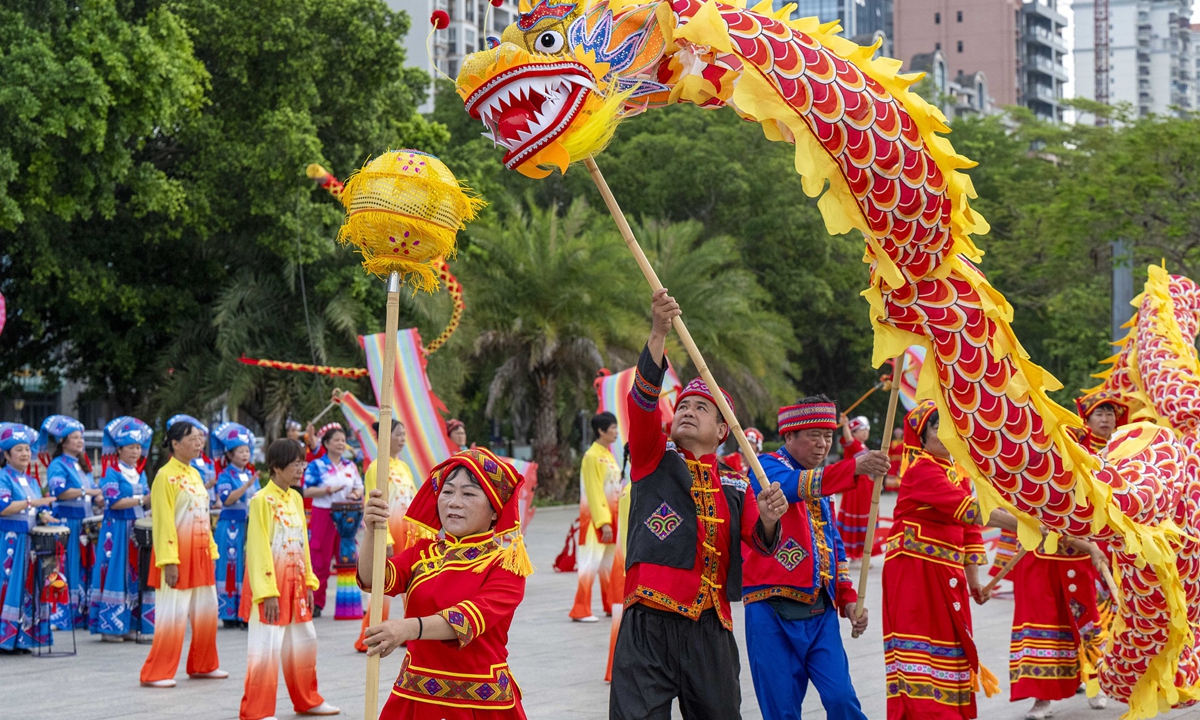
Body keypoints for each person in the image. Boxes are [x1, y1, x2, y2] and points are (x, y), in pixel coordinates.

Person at [609, 288, 788, 720]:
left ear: (724, 430)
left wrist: (767, 519)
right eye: (683, 405)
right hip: (647, 623)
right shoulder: (654, 459)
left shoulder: (738, 484)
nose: (687, 411)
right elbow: (642, 405)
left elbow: (760, 543)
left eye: (702, 408)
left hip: (712, 628)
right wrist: (658, 332)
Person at [357, 447, 534, 719]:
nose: (453, 502)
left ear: (495, 512)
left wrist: (406, 628)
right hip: (414, 697)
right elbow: (373, 579)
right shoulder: (423, 551)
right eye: (448, 492)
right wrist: (372, 529)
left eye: (469, 494)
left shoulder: (505, 564)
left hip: (480, 704)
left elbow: (465, 620)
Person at [743, 397, 890, 720]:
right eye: (814, 435)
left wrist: (849, 599)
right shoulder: (765, 467)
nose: (823, 444)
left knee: (842, 699)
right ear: (788, 437)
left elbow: (832, 544)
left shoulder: (821, 483)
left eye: (828, 435)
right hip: (770, 609)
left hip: (820, 610)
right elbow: (791, 486)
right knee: (781, 710)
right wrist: (854, 467)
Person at [882, 399, 1019, 719]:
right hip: (914, 570)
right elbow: (969, 510)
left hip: (947, 572)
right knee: (921, 649)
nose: (946, 434)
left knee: (951, 647)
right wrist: (1026, 523)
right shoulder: (921, 469)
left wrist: (976, 584)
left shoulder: (957, 473)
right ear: (922, 435)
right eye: (937, 427)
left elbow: (970, 532)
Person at [1007, 388, 1122, 718]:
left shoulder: (1092, 467)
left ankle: (1096, 681)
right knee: (1039, 625)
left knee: (1087, 620)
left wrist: (1091, 543)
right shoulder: (1027, 467)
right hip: (1038, 558)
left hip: (1077, 558)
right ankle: (1041, 699)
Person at [238, 439, 339, 719]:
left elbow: (303, 543)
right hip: (270, 587)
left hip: (296, 584)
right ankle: (257, 710)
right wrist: (267, 592)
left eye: (302, 462)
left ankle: (307, 699)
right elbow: (257, 549)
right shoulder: (260, 501)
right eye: (296, 463)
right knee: (265, 647)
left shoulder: (295, 497)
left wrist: (309, 581)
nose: (301, 468)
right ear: (276, 466)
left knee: (305, 641)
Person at [140, 419, 228, 688]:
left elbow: (202, 515)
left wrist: (211, 549)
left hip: (201, 554)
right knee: (172, 615)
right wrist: (168, 561)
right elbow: (164, 520)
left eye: (201, 438)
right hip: (176, 556)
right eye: (193, 438)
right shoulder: (165, 476)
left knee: (207, 611)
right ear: (175, 444)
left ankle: (203, 665)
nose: (199, 443)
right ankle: (157, 672)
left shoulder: (195, 474)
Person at [354, 420, 418, 653]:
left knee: (412, 584)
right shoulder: (376, 468)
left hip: (409, 534)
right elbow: (373, 505)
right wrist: (386, 540)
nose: (402, 439)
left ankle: (409, 633)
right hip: (390, 533)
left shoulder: (404, 467)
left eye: (404, 434)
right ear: (385, 438)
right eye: (398, 434)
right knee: (385, 585)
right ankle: (370, 635)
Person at [89, 416, 154, 641]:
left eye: (138, 447)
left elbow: (146, 500)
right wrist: (142, 499)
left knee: (134, 573)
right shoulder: (111, 472)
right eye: (130, 447)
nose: (136, 451)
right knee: (116, 572)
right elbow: (113, 502)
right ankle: (110, 627)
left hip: (135, 529)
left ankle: (129, 624)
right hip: (116, 529)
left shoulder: (140, 473)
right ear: (119, 449)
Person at [39, 414, 100, 629]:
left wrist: (100, 497)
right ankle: (60, 615)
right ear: (63, 441)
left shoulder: (82, 466)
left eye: (81, 437)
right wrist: (89, 490)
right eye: (75, 437)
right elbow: (60, 492)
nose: (80, 441)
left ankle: (80, 613)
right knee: (65, 567)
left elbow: (91, 494)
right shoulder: (58, 465)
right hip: (66, 523)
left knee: (83, 567)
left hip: (84, 523)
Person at [0, 423, 56, 652]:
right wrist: (34, 503)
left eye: (27, 449)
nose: (25, 454)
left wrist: (44, 516)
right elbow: (3, 508)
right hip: (10, 542)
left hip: (30, 543)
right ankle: (5, 639)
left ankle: (23, 639)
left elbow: (33, 508)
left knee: (28, 589)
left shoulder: (31, 481)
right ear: (6, 454)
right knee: (8, 586)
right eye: (19, 450)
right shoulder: (4, 478)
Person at [302, 423, 363, 617]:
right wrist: (327, 490)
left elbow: (359, 486)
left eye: (343, 440)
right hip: (324, 514)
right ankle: (317, 603)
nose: (340, 443)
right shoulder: (317, 465)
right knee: (320, 560)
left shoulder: (350, 466)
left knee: (348, 558)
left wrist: (355, 494)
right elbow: (306, 490)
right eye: (336, 440)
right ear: (326, 443)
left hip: (347, 515)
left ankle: (349, 601)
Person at [570, 411, 620, 623]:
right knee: (590, 563)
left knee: (608, 564)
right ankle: (580, 609)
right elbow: (593, 490)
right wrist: (603, 522)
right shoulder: (591, 456)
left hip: (613, 516)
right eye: (613, 428)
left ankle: (611, 604)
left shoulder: (609, 455)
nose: (616, 432)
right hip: (596, 520)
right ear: (601, 430)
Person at [211, 422, 258, 627]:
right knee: (230, 568)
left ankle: (244, 611)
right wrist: (246, 486)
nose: (245, 454)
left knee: (246, 567)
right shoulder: (224, 475)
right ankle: (229, 613)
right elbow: (227, 499)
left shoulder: (250, 474)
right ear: (229, 455)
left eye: (247, 450)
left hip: (247, 525)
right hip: (229, 525)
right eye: (240, 451)